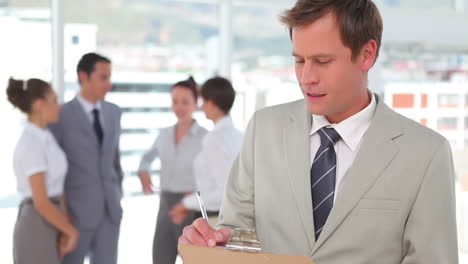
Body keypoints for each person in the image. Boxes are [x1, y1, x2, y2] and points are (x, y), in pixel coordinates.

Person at [178, 1, 458, 263]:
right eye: (299, 60)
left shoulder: (426, 154)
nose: (306, 77)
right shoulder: (263, 130)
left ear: (366, 54)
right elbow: (237, 234)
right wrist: (213, 244)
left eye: (322, 61)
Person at [49, 53, 123, 264]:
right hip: (74, 214)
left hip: (110, 211)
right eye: (103, 77)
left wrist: (118, 195)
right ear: (84, 76)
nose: (108, 84)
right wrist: (62, 212)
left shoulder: (114, 112)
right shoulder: (60, 114)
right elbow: (55, 168)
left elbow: (114, 161)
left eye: (109, 77)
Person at [7, 78, 78, 264]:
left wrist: (64, 225)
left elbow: (56, 187)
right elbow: (41, 202)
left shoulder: (46, 137)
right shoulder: (31, 142)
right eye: (54, 101)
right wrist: (71, 231)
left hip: (52, 219)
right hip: (37, 223)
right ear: (39, 104)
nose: (59, 106)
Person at [137, 76, 208, 264]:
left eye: (185, 102)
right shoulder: (164, 134)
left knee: (193, 259)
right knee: (160, 257)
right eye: (175, 102)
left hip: (191, 208)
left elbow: (214, 177)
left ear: (196, 103)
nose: (179, 107)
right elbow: (146, 159)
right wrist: (143, 172)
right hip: (165, 204)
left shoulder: (205, 138)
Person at [170, 77, 242, 226]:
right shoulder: (239, 135)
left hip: (216, 219)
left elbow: (224, 192)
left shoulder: (214, 138)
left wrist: (186, 204)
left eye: (203, 101)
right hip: (228, 217)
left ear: (212, 104)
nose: (201, 106)